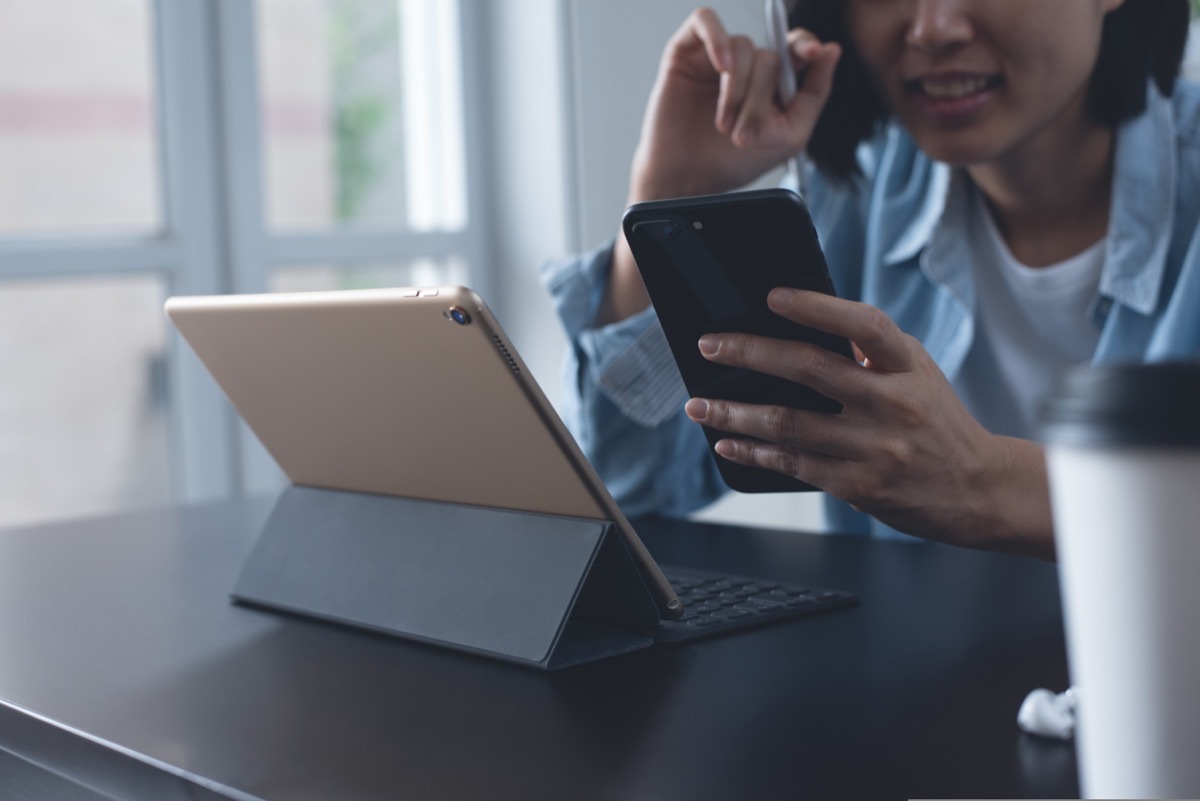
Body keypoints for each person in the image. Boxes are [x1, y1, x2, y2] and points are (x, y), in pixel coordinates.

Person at [541, 0, 1199, 560]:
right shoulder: (854, 192)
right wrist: (665, 196)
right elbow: (630, 494)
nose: (933, 29)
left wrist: (984, 482)